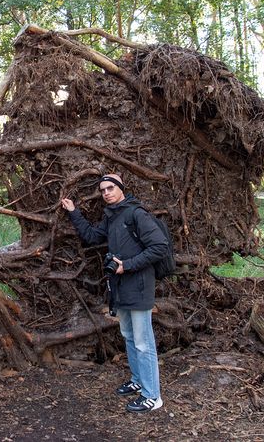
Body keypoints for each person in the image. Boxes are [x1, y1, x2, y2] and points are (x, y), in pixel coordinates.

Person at [60, 173, 167, 413]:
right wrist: (73, 211)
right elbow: (91, 236)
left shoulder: (136, 213)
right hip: (120, 286)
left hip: (138, 284)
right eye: (103, 190)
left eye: (111, 188)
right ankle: (138, 381)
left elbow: (160, 246)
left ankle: (153, 396)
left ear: (121, 189)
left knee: (143, 342)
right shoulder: (112, 216)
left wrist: (127, 265)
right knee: (129, 335)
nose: (106, 192)